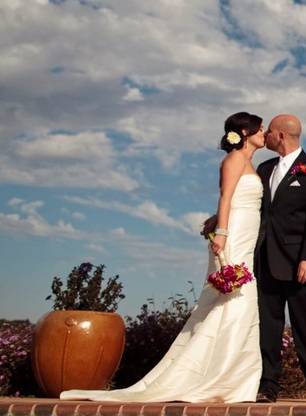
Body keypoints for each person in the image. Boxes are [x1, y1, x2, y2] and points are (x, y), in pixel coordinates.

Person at [62, 112, 265, 403]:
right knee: (233, 300)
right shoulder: (234, 160)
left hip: (245, 234)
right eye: (260, 127)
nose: (264, 131)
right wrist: (220, 232)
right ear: (245, 132)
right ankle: (219, 378)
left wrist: (214, 221)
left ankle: (230, 377)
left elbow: (236, 202)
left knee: (239, 305)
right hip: (232, 238)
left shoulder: (250, 163)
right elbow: (225, 198)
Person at [252, 114, 306, 403]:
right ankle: (267, 387)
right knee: (268, 325)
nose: (264, 135)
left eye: (269, 132)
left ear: (280, 135)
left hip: (301, 262)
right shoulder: (264, 169)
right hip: (266, 259)